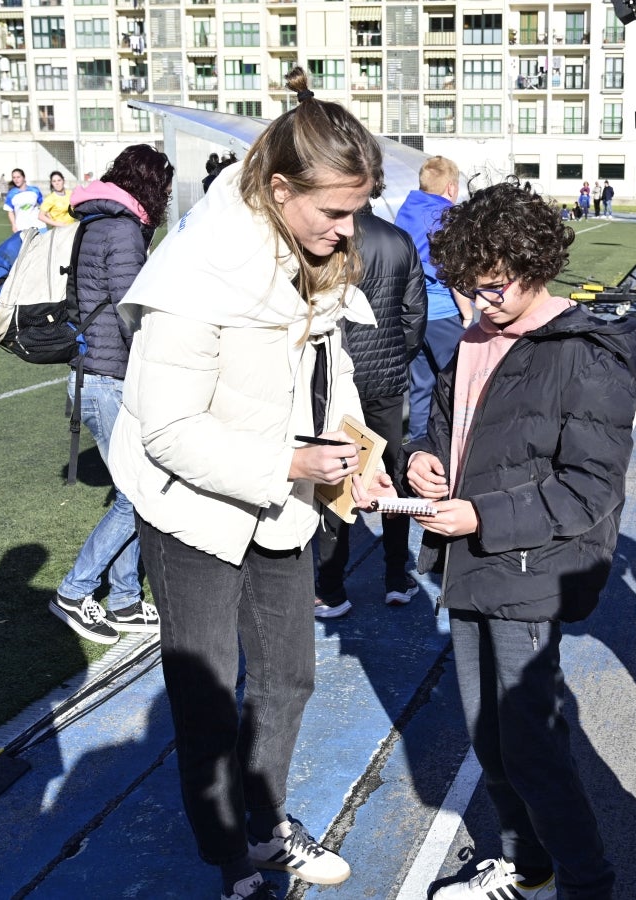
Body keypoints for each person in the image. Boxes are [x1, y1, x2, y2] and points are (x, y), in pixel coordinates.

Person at [109, 67, 386, 900]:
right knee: (206, 698)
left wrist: (356, 465)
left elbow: (327, 378)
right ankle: (231, 857)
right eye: (333, 212)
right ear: (274, 188)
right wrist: (288, 465)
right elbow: (170, 431)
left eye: (355, 212)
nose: (346, 231)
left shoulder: (317, 257)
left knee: (289, 677)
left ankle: (266, 827)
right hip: (191, 507)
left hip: (283, 501)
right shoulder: (197, 275)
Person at [405, 181, 636, 900]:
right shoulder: (475, 339)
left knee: (532, 744)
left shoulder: (586, 353)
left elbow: (589, 488)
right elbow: (448, 424)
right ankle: (526, 859)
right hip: (470, 561)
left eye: (491, 289)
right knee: (488, 735)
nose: (475, 305)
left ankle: (586, 881)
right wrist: (422, 454)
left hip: (527, 564)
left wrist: (479, 515)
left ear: (533, 265)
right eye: (464, 290)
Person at [49, 146, 173, 645]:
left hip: (92, 372)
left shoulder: (98, 220)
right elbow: (132, 313)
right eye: (164, 185)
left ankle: (122, 598)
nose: (166, 196)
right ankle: (75, 591)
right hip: (109, 377)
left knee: (131, 488)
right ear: (148, 184)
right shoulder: (123, 229)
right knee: (136, 492)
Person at [313, 206, 427, 615]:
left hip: (343, 372)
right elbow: (415, 315)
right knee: (391, 476)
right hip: (386, 380)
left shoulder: (328, 233)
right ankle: (396, 577)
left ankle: (330, 586)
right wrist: (399, 357)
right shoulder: (398, 239)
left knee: (339, 479)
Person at [394, 155, 467, 442]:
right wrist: (468, 314)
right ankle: (453, 442)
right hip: (443, 312)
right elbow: (454, 271)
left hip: (411, 312)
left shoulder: (406, 209)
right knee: (456, 382)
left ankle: (417, 444)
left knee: (420, 385)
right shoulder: (447, 215)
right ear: (451, 188)